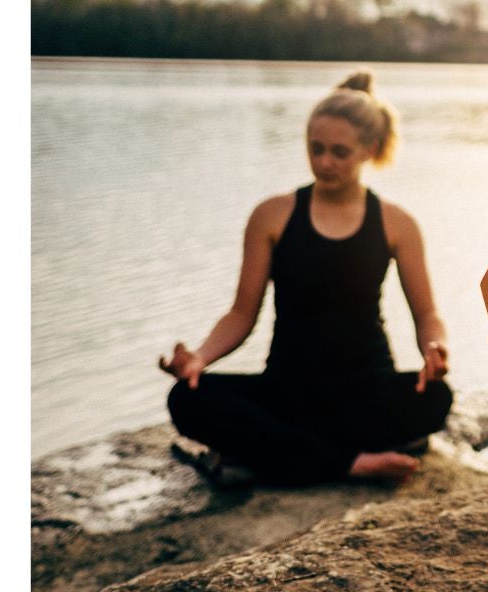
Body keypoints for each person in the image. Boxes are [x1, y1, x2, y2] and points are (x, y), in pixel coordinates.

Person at [158, 72, 452, 485]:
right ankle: (351, 463)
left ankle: (281, 456)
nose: (325, 162)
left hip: (366, 392)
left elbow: (427, 315)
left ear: (369, 150)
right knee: (187, 400)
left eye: (339, 152)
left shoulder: (396, 224)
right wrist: (200, 358)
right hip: (287, 391)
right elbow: (242, 314)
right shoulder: (272, 216)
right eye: (315, 150)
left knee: (436, 399)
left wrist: (434, 350)